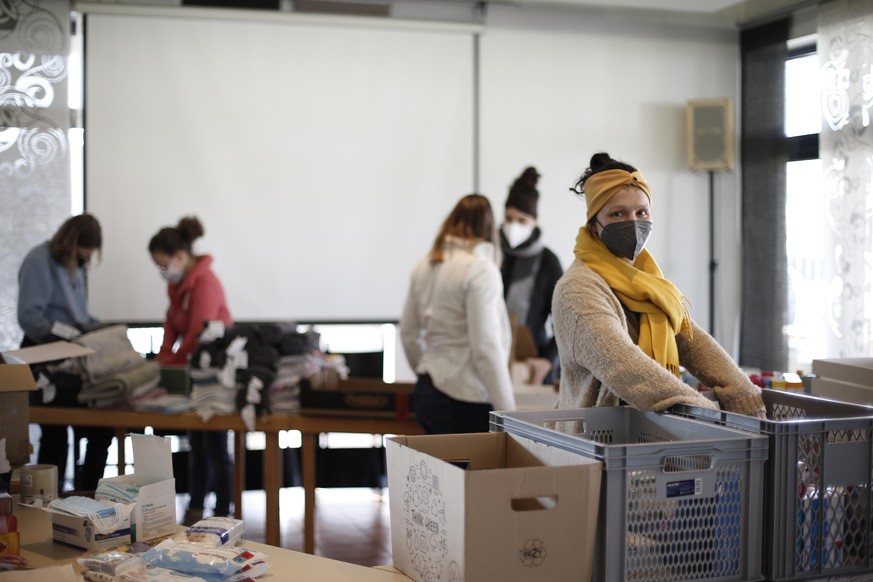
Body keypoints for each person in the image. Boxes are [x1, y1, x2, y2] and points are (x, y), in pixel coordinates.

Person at [552, 152, 766, 422]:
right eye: (617, 213)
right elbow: (625, 367)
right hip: (594, 442)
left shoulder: (647, 280)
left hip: (645, 432)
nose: (633, 222)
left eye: (641, 212)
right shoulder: (578, 289)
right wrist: (708, 414)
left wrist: (742, 391)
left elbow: (690, 340)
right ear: (594, 225)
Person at [400, 194, 516, 434]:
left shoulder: (423, 266)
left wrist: (426, 374)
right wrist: (509, 414)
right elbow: (485, 347)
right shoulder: (480, 270)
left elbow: (408, 334)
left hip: (427, 391)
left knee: (435, 472)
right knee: (470, 472)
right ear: (488, 228)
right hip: (465, 398)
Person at [17, 213, 114, 492]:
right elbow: (30, 316)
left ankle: (89, 498)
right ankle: (47, 501)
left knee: (101, 431)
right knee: (56, 434)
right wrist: (65, 335)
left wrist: (103, 330)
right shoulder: (39, 260)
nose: (86, 258)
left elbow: (79, 315)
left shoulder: (77, 265)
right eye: (83, 252)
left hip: (71, 352)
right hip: (43, 352)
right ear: (71, 243)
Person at [148, 216, 233, 525]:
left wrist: (172, 359)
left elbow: (198, 331)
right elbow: (172, 323)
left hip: (216, 373)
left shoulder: (205, 283)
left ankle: (224, 514)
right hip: (193, 371)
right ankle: (196, 509)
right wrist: (164, 353)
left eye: (163, 265)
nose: (162, 272)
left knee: (215, 447)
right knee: (197, 444)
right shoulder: (178, 284)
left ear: (180, 256)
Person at [500, 166, 563, 385]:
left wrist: (548, 360)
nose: (513, 227)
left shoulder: (548, 262)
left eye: (522, 221)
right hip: (488, 362)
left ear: (534, 221)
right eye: (508, 218)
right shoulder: (489, 253)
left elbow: (565, 325)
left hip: (530, 369)